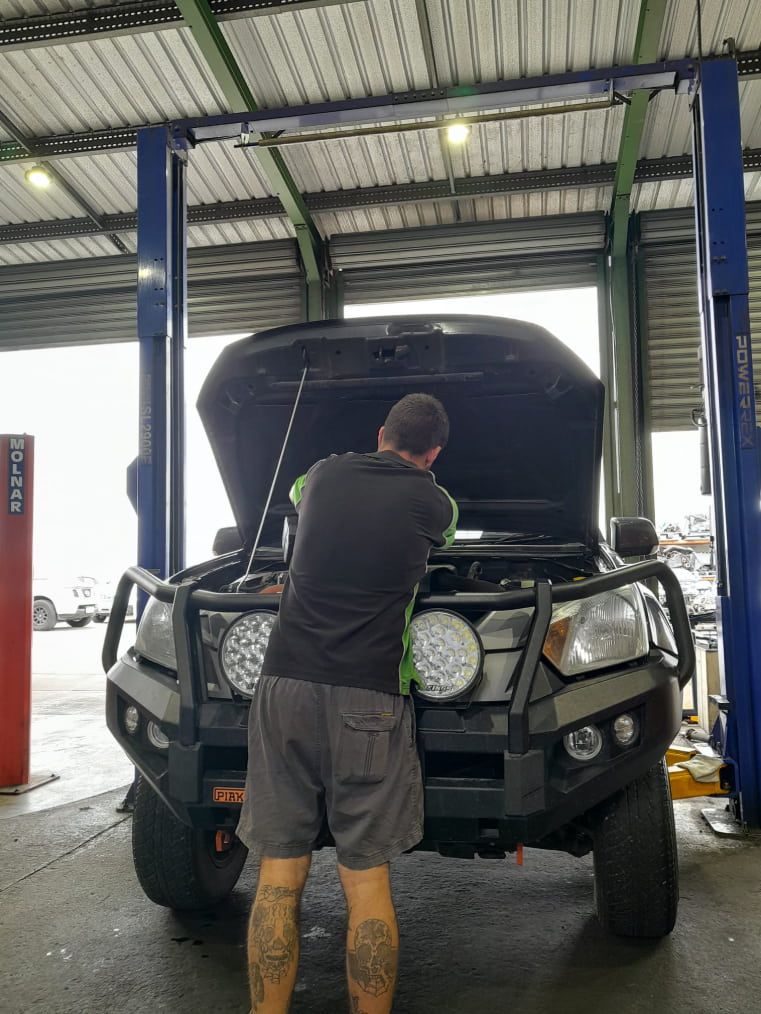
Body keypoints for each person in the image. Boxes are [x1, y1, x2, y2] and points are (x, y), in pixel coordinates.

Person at [237, 392, 458, 1014]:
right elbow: (443, 530)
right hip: (370, 697)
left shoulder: (325, 473)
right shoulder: (434, 500)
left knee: (278, 874)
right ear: (434, 452)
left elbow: (299, 495)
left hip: (284, 686)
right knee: (365, 882)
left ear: (381, 431)